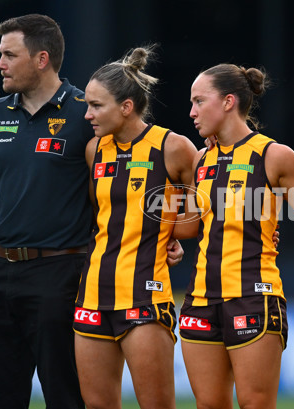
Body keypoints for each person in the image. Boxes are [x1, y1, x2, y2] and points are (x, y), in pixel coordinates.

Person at [0, 14, 183, 408]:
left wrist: (162, 234)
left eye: (8, 55)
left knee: (67, 397)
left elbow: (133, 176)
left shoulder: (89, 113)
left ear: (41, 58)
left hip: (60, 274)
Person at [173, 63, 294, 409]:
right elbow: (191, 225)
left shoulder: (274, 156)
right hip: (201, 298)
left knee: (255, 404)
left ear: (228, 102)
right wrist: (169, 239)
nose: (191, 112)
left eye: (199, 101)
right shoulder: (200, 160)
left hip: (254, 297)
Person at [73, 46, 197, 409]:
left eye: (96, 106)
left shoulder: (173, 147)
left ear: (126, 107)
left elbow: (201, 212)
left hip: (145, 294)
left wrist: (172, 232)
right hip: (92, 293)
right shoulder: (95, 150)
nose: (87, 114)